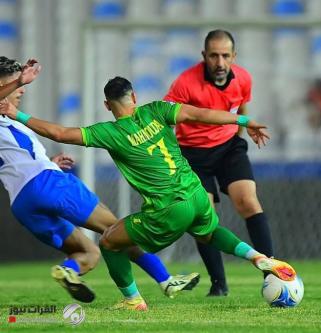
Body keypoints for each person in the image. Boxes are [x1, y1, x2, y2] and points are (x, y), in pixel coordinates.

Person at [0, 76, 297, 310]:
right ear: (135, 97)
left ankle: (133, 300)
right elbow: (198, 114)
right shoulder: (157, 109)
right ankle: (258, 256)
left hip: (168, 208)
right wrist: (244, 120)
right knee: (209, 232)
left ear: (107, 105)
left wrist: (18, 113)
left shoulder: (111, 132)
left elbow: (60, 134)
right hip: (195, 193)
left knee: (109, 241)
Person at [0, 57, 198, 309]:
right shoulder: (7, 113)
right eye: (16, 86)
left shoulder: (7, 120)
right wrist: (19, 78)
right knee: (117, 232)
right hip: (49, 185)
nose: (22, 90)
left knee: (88, 254)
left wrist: (49, 161)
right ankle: (164, 281)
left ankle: (67, 271)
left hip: (23, 202)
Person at [164, 30, 274, 296]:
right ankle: (219, 284)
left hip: (228, 148)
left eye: (226, 55)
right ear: (204, 56)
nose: (220, 62)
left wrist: (245, 130)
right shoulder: (185, 83)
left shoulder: (244, 78)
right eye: (214, 55)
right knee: (205, 216)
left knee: (248, 201)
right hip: (192, 155)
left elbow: (240, 108)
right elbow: (165, 117)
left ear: (234, 56)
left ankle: (273, 272)